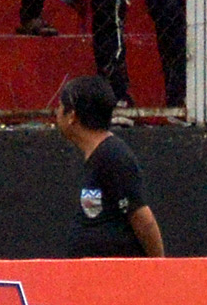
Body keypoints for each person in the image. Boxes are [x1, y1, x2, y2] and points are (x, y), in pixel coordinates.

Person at [55, 74, 159, 254]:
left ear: (72, 116)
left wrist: (159, 269)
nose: (56, 112)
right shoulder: (97, 156)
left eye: (60, 106)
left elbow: (143, 220)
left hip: (118, 276)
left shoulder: (112, 156)